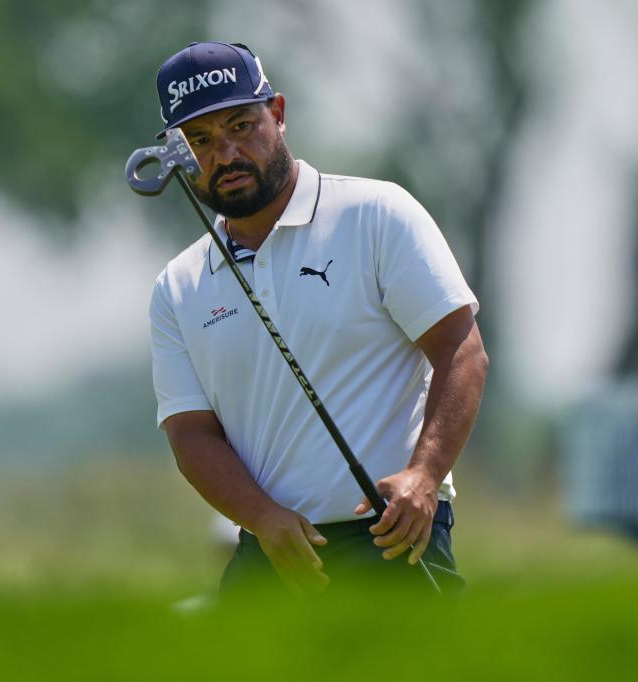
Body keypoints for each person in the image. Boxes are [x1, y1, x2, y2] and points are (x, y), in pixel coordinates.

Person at [146, 42, 488, 598]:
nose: (226, 154)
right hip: (271, 549)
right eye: (200, 141)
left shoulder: (376, 214)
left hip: (393, 537)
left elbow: (461, 350)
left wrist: (424, 476)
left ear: (277, 114)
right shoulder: (177, 286)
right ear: (176, 153)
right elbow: (190, 434)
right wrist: (260, 516)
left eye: (242, 125)